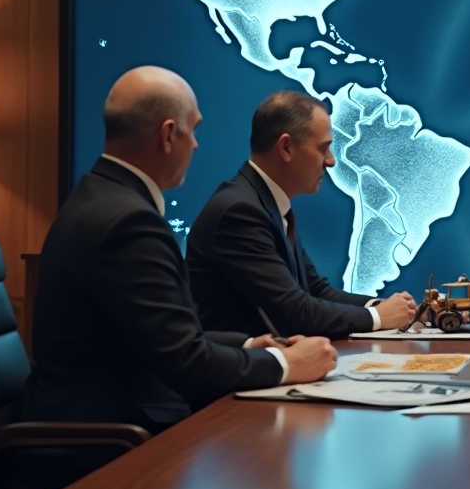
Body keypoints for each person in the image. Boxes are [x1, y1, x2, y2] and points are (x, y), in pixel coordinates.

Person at [20, 67, 337, 433]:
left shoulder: (101, 197)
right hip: (102, 443)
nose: (197, 144)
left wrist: (250, 344)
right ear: (169, 135)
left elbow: (162, 337)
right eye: (194, 129)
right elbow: (189, 365)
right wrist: (287, 364)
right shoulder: (129, 224)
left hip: (97, 421)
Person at [187, 90, 416, 339]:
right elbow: (295, 312)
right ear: (286, 147)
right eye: (323, 148)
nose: (330, 161)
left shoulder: (265, 203)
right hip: (240, 371)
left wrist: (383, 307)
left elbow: (316, 290)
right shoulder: (239, 213)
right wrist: (380, 317)